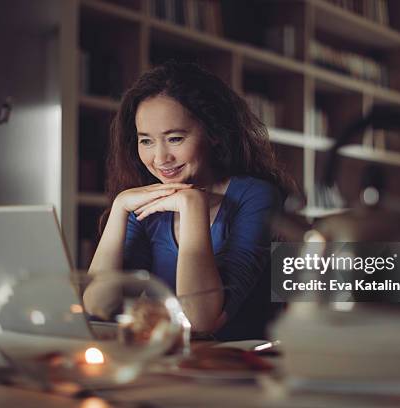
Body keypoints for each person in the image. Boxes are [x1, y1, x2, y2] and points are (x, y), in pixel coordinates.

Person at [84, 61, 295, 340]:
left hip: (246, 368)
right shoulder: (148, 201)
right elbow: (98, 307)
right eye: (146, 141)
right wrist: (120, 207)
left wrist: (192, 205)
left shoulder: (257, 196)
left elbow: (201, 318)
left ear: (214, 134)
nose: (160, 159)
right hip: (174, 363)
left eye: (175, 139)